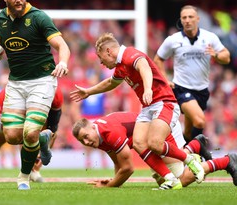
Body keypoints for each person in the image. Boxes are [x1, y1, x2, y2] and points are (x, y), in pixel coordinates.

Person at [70, 32, 204, 190]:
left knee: (156, 145)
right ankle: (170, 179)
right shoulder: (120, 67)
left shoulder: (130, 54)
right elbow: (111, 83)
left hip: (163, 102)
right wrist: (89, 92)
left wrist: (148, 89)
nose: (101, 62)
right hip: (149, 107)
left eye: (101, 58)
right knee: (140, 144)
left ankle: (191, 158)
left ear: (108, 51)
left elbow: (144, 67)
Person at [0, 0, 70, 190]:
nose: (19, 0)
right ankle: (43, 140)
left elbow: (61, 45)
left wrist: (63, 61)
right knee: (10, 136)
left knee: (29, 132)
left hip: (42, 81)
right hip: (16, 83)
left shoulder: (39, 17)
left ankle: (23, 177)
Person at [72, 112, 237, 188]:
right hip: (152, 134)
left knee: (180, 180)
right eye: (82, 140)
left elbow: (128, 168)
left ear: (93, 127)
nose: (86, 142)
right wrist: (115, 180)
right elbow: (118, 161)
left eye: (86, 136)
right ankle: (195, 145)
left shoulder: (109, 132)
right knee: (161, 180)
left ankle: (227, 161)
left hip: (159, 134)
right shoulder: (98, 135)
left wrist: (110, 186)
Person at [153, 5, 231, 142]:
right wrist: (165, 80)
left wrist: (216, 55)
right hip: (181, 88)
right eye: (184, 17)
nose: (187, 20)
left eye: (190, 17)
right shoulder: (173, 40)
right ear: (181, 20)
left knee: (189, 131)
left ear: (198, 19)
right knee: (200, 121)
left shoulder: (209, 37)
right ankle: (197, 154)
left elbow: (227, 57)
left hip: (202, 90)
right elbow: (158, 59)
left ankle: (185, 151)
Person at [0, 86, 63, 183]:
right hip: (11, 101)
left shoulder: (55, 94)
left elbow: (52, 130)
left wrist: (40, 159)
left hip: (37, 106)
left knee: (40, 135)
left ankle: (33, 170)